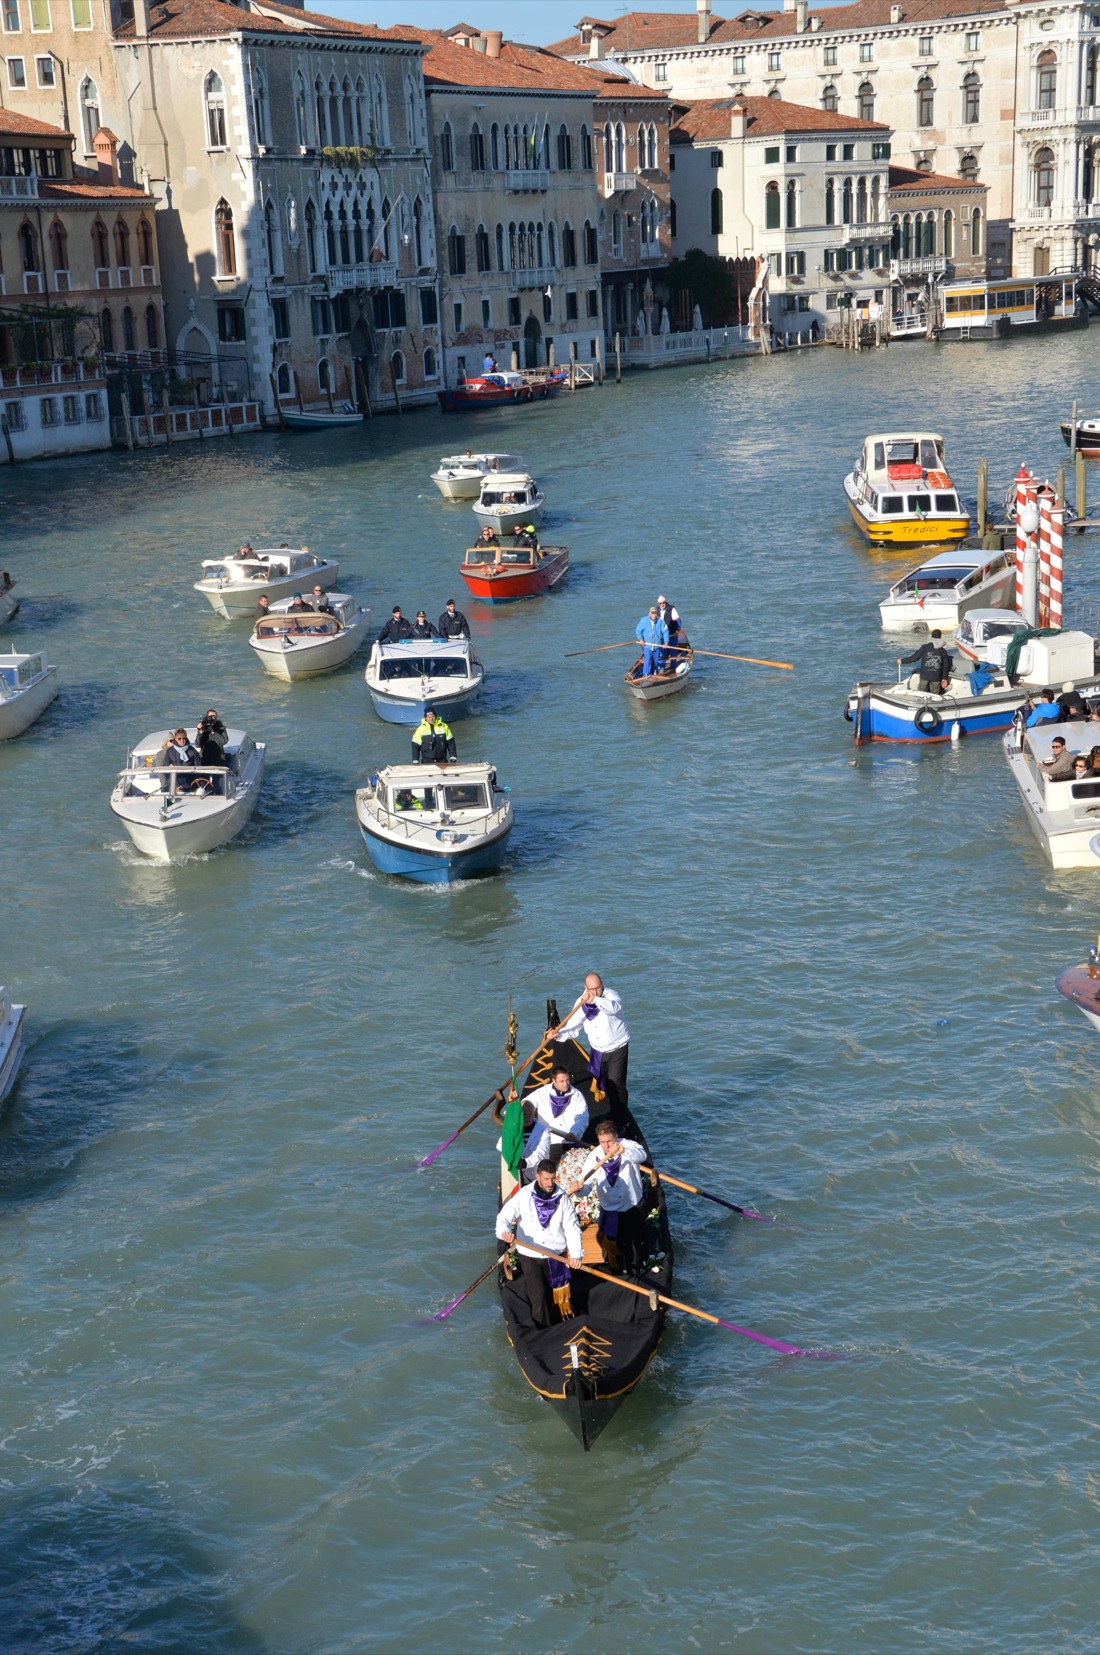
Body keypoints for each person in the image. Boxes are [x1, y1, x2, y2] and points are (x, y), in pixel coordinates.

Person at [495, 1159, 584, 1328]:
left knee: (555, 1297)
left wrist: (576, 1254)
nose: (550, 1183)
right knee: (538, 1297)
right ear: (538, 1177)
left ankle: (559, 1326)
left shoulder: (562, 1198)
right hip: (530, 1254)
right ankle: (543, 1332)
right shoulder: (524, 1195)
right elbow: (504, 1216)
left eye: (553, 1179)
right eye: (546, 1179)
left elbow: (572, 1228)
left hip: (555, 1256)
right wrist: (504, 1232)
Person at [566, 1119, 649, 1276]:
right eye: (602, 1142)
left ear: (616, 1136)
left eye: (609, 1141)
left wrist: (624, 1151)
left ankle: (636, 1273)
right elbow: (586, 1187)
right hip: (610, 1209)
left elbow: (642, 1156)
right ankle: (616, 1273)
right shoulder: (594, 1157)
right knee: (612, 1247)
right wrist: (579, 1189)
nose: (607, 1146)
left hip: (632, 1206)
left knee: (634, 1244)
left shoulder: (629, 1146)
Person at [549, 976, 630, 1127]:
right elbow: (573, 1028)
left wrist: (595, 999)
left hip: (617, 1048)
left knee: (616, 1083)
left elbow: (613, 1008)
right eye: (591, 989)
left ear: (602, 985)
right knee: (604, 1083)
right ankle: (612, 1111)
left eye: (598, 988)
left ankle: (621, 1119)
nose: (595, 991)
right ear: (585, 988)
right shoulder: (581, 1003)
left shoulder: (611, 996)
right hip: (598, 1050)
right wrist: (558, 1035)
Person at [522, 1066, 590, 1172]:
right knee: (550, 1170)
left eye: (567, 1080)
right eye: (562, 1081)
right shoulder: (542, 1092)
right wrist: (516, 1111)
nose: (566, 1083)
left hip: (571, 1140)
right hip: (549, 1141)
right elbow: (526, 1103)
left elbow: (583, 1118)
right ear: (554, 1081)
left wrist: (573, 1133)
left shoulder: (577, 1095)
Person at [635, 606, 669, 679]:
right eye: (652, 613)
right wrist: (641, 639)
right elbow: (638, 631)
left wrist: (666, 643)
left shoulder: (660, 621)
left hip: (657, 646)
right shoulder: (644, 620)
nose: (654, 615)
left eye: (655, 613)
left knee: (655, 662)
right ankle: (645, 676)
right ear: (649, 613)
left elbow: (665, 631)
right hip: (647, 646)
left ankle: (652, 674)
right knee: (647, 660)